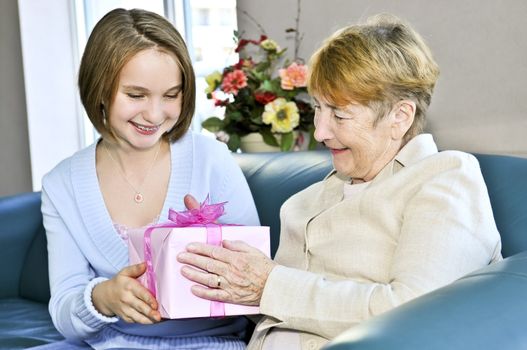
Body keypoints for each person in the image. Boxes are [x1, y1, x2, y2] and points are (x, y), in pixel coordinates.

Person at [177, 14, 503, 350]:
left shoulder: (444, 178)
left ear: (400, 117)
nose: (319, 131)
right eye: (318, 108)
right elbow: (276, 307)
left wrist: (269, 286)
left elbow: (417, 312)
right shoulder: (307, 201)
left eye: (339, 114)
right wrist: (222, 262)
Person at [40, 8, 259, 350]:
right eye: (136, 95)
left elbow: (260, 285)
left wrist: (211, 245)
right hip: (109, 343)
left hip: (212, 342)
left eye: (171, 95)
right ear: (99, 88)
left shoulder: (212, 161)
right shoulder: (62, 185)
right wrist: (103, 298)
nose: (155, 114)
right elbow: (65, 311)